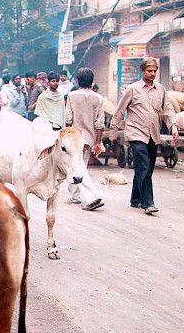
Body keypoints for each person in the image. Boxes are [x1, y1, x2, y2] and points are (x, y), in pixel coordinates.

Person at [113, 57, 176, 215]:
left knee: (146, 168)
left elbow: (168, 109)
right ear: (142, 71)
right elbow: (120, 110)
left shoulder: (161, 89)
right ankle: (148, 203)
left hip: (153, 135)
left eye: (155, 71)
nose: (153, 73)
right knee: (144, 166)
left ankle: (135, 198)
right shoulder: (132, 89)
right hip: (136, 133)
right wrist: (113, 130)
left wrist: (173, 127)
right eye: (149, 71)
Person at [64, 67, 105, 210]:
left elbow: (68, 119)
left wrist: (67, 137)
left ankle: (92, 197)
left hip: (75, 136)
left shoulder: (72, 96)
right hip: (90, 137)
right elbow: (100, 123)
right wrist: (98, 142)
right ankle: (74, 196)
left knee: (78, 167)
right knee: (81, 165)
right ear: (92, 82)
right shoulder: (98, 98)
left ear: (77, 80)